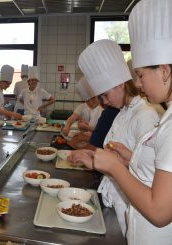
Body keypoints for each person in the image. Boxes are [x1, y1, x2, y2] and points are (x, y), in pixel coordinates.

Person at [73, 1, 172, 244]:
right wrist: (118, 159)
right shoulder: (132, 112)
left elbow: (159, 211)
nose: (138, 83)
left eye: (140, 75)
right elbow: (151, 168)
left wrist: (115, 167)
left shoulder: (149, 114)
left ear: (164, 71)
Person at [68, 39, 160, 235]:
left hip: (131, 209)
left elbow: (149, 178)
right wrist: (91, 159)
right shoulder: (121, 113)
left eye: (105, 94)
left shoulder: (145, 115)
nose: (103, 101)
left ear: (120, 85)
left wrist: (111, 164)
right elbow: (120, 159)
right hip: (112, 200)